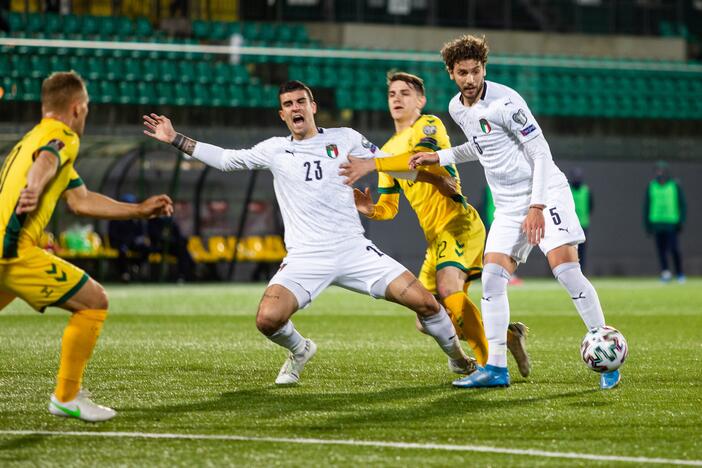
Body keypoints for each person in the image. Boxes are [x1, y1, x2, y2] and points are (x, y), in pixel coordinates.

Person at [142, 80, 477, 386]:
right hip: (306, 257)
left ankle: (460, 360)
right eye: (288, 104)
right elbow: (228, 159)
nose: (295, 108)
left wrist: (437, 179)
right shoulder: (274, 149)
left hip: (353, 249)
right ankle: (300, 349)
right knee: (267, 319)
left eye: (300, 101)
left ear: (312, 106)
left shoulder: (345, 138)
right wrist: (174, 138)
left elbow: (394, 165)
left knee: (427, 304)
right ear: (282, 114)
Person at [348, 35, 622, 390]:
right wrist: (440, 157)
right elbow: (480, 146)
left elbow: (540, 154)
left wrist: (537, 206)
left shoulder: (507, 102)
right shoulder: (457, 108)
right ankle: (495, 368)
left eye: (476, 71)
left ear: (484, 69)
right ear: (451, 73)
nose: (471, 80)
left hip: (545, 193)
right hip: (508, 204)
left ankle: (607, 359)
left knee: (566, 271)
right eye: (463, 73)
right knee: (492, 280)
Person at [0, 71, 173, 421]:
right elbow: (47, 159)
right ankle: (67, 396)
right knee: (94, 302)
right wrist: (34, 186)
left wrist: (139, 210)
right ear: (77, 109)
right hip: (13, 252)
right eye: (88, 108)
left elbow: (81, 201)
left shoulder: (31, 137)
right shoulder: (62, 135)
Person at [345, 71, 530, 377]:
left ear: (421, 100)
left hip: (458, 222)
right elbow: (390, 207)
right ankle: (509, 337)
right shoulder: (386, 152)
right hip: (436, 240)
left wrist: (375, 162)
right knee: (426, 318)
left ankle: (490, 367)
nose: (398, 99)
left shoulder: (428, 124)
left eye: (405, 93)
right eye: (392, 94)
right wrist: (370, 210)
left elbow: (420, 160)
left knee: (448, 289)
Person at [644, 161, 686, 283]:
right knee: (661, 250)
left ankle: (679, 273)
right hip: (657, 223)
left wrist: (681, 220)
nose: (660, 173)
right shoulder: (651, 186)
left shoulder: (674, 186)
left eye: (662, 170)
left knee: (674, 249)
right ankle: (665, 272)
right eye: (657, 170)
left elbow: (682, 204)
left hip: (671, 223)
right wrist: (647, 225)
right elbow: (646, 206)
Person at [569, 168, 593, 271]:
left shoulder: (586, 191)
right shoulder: (568, 190)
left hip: (583, 225)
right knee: (570, 249)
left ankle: (581, 271)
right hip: (569, 225)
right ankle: (570, 271)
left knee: (582, 250)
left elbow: (591, 206)